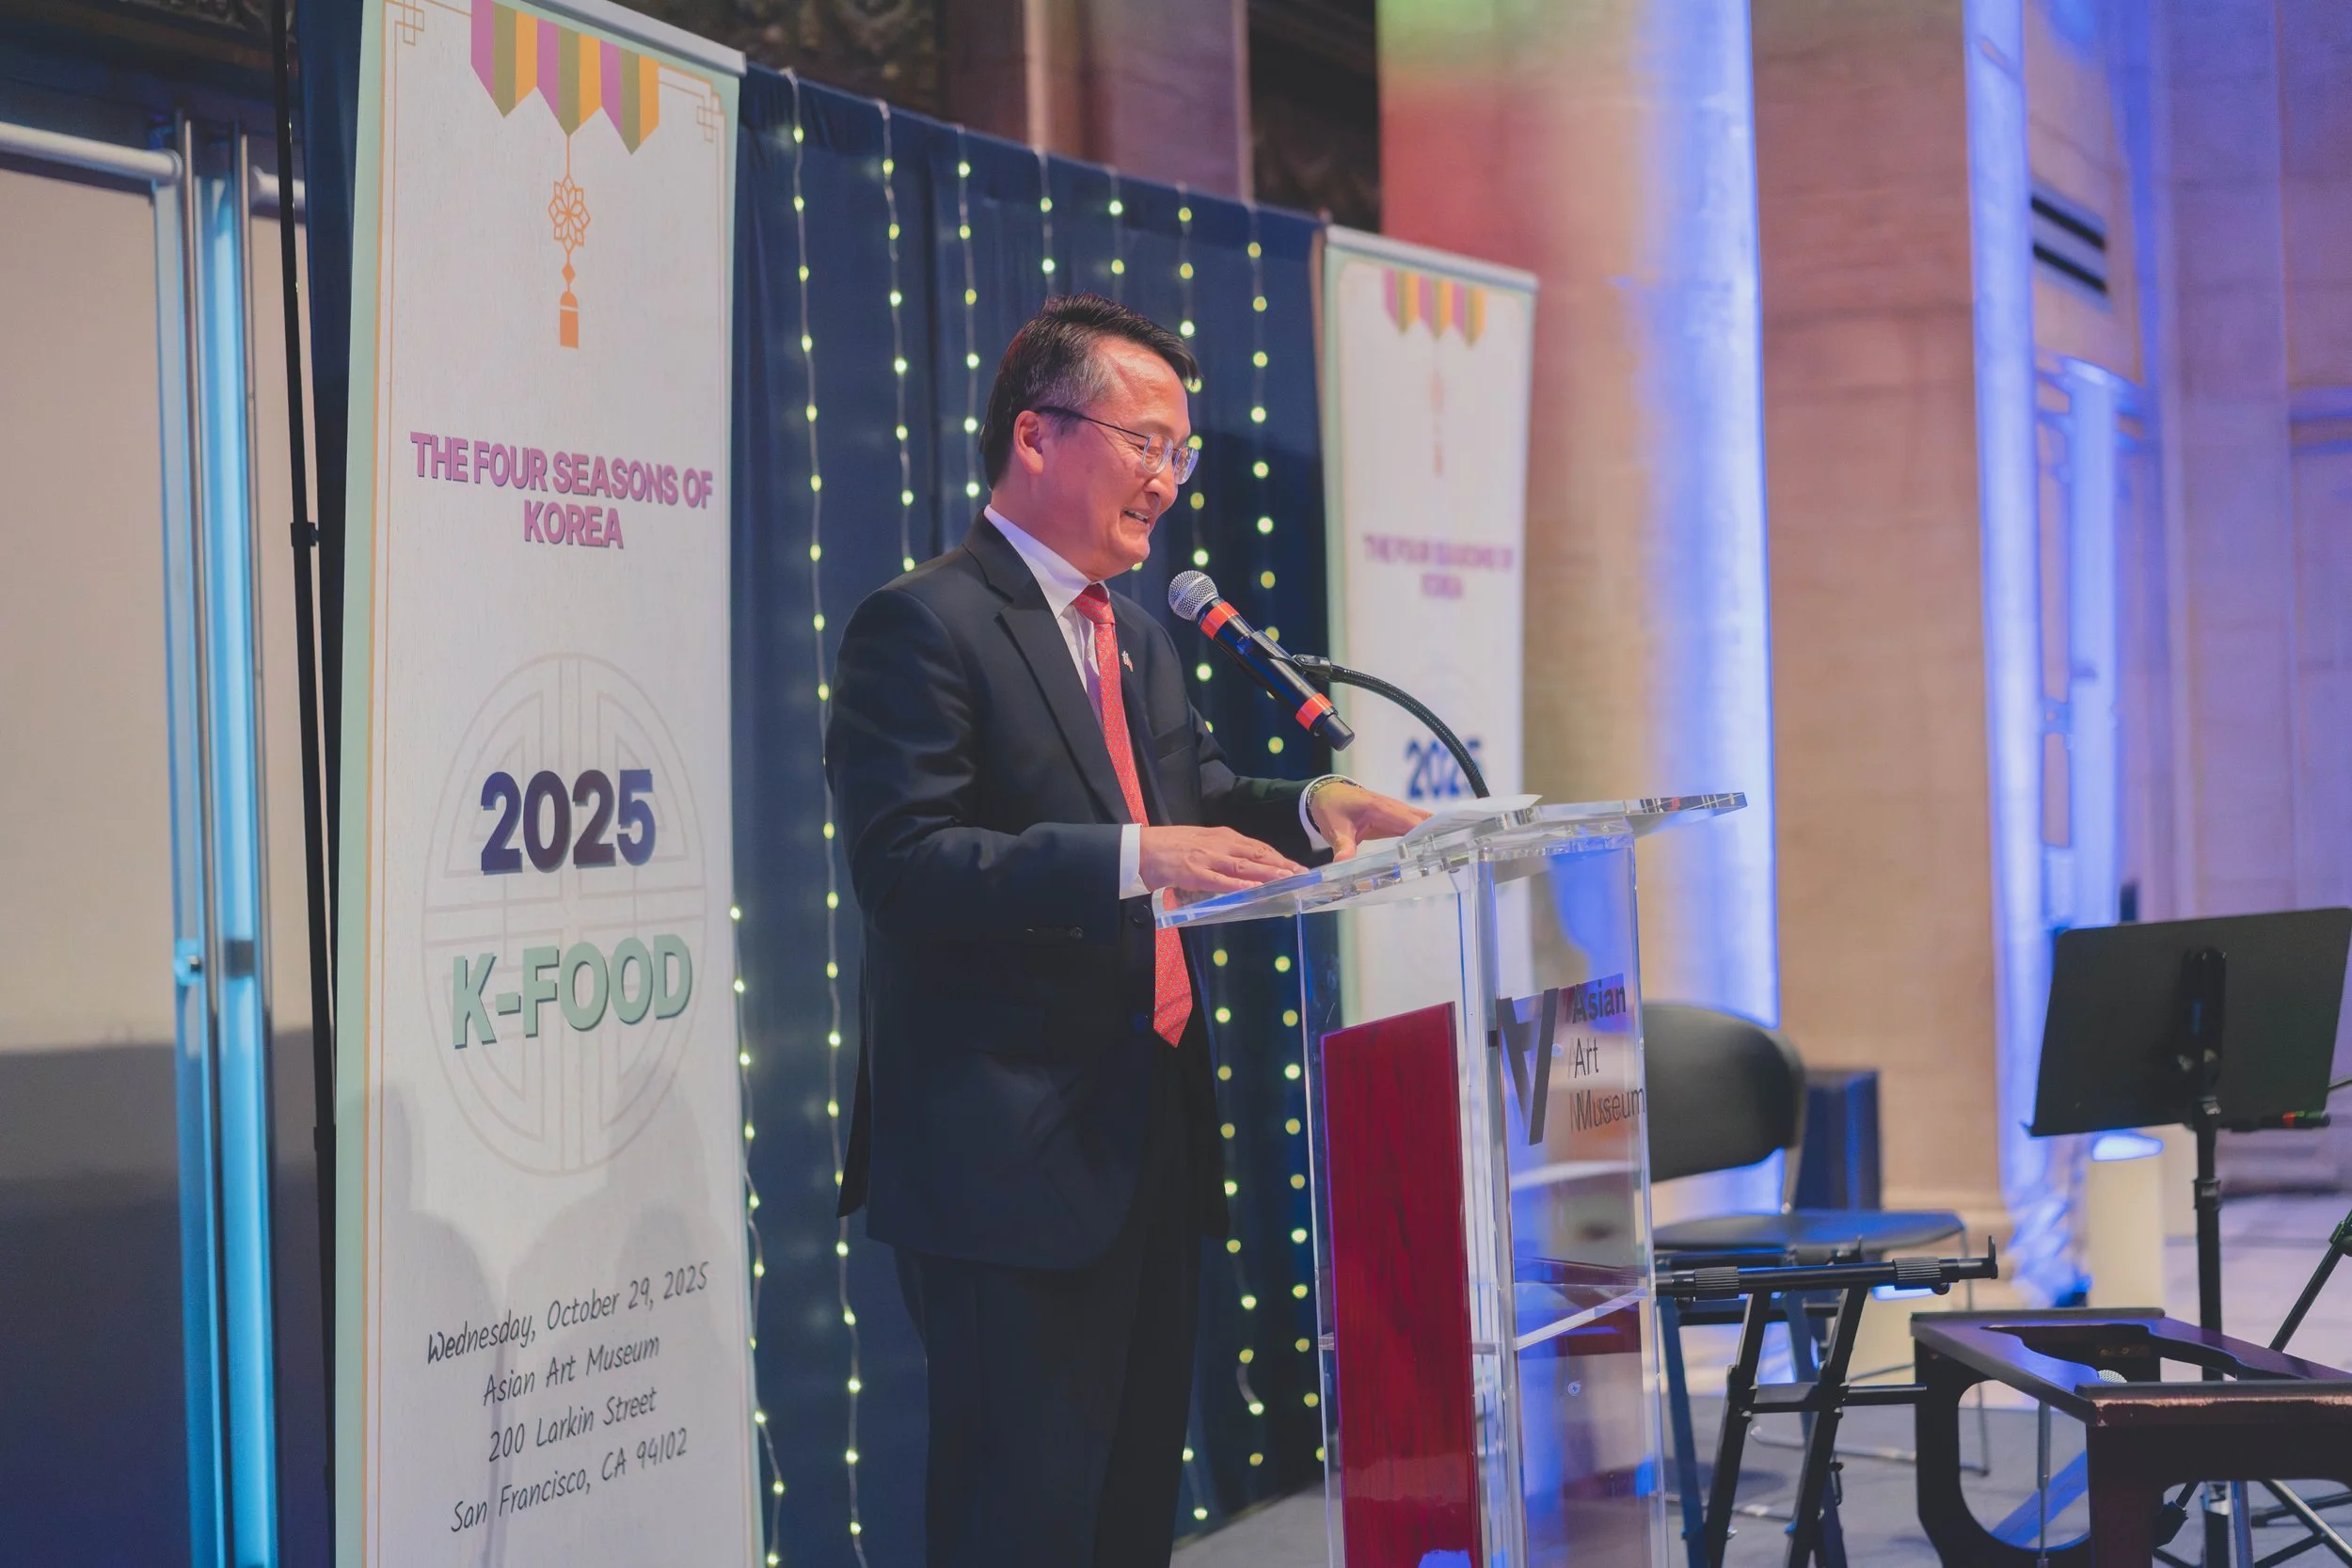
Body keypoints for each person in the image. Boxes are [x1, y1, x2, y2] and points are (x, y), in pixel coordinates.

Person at [824, 293, 1425, 1565]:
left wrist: (1319, 805)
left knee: (1126, 1518)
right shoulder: (922, 623)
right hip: (1002, 1159)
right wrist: (1134, 857)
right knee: (1019, 1524)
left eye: (1179, 452)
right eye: (1145, 441)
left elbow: (1190, 798)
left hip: (1145, 1135)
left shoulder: (1139, 634)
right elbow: (905, 867)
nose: (1166, 478)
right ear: (1038, 437)